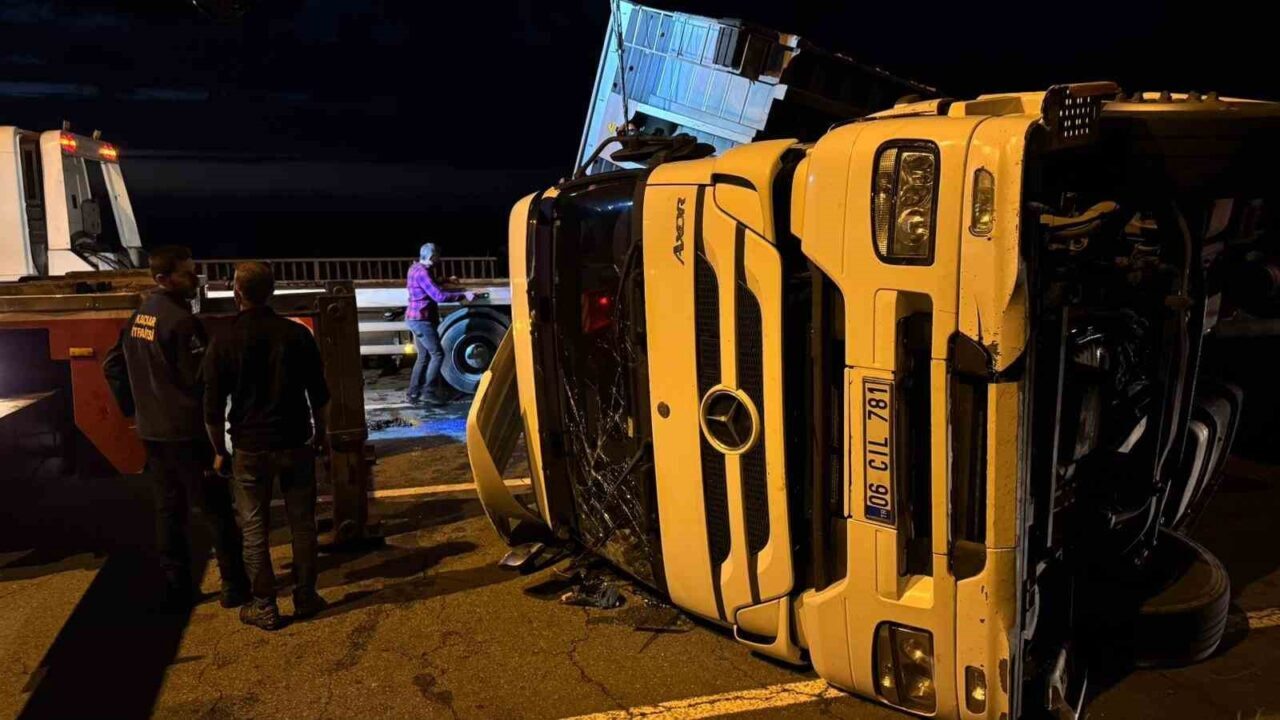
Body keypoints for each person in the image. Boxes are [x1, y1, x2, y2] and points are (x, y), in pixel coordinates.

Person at [102, 245, 249, 611]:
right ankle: (234, 585)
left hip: (153, 431)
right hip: (186, 431)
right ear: (163, 279)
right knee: (215, 509)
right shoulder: (181, 322)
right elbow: (200, 380)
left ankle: (178, 588)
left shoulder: (139, 317)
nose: (195, 278)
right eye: (187, 273)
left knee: (168, 511)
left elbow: (112, 366)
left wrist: (135, 409)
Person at [202, 261, 331, 631]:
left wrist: (219, 450)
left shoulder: (224, 340)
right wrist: (320, 434)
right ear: (272, 291)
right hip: (295, 441)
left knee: (255, 527)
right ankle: (306, 596)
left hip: (250, 447)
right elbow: (319, 395)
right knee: (303, 524)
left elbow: (211, 410)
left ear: (236, 293)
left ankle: (264, 605)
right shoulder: (296, 336)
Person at [405, 243, 474, 405]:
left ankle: (413, 393)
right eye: (437, 256)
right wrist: (464, 295)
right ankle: (428, 392)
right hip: (421, 320)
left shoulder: (415, 268)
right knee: (437, 354)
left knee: (423, 356)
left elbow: (431, 283)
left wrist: (446, 280)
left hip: (415, 318)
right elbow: (439, 296)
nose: (439, 259)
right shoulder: (423, 272)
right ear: (431, 257)